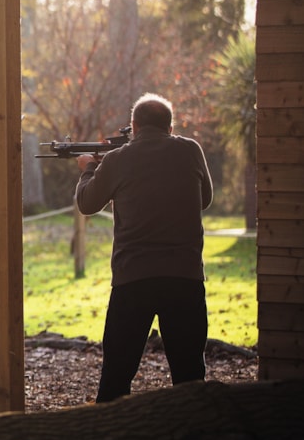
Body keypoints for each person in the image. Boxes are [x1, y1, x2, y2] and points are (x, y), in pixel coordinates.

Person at [75, 92, 214, 403]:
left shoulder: (116, 160)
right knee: (191, 376)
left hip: (132, 280)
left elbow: (87, 203)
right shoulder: (191, 150)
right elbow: (204, 199)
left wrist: (88, 169)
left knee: (116, 376)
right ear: (170, 126)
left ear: (133, 127)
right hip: (185, 278)